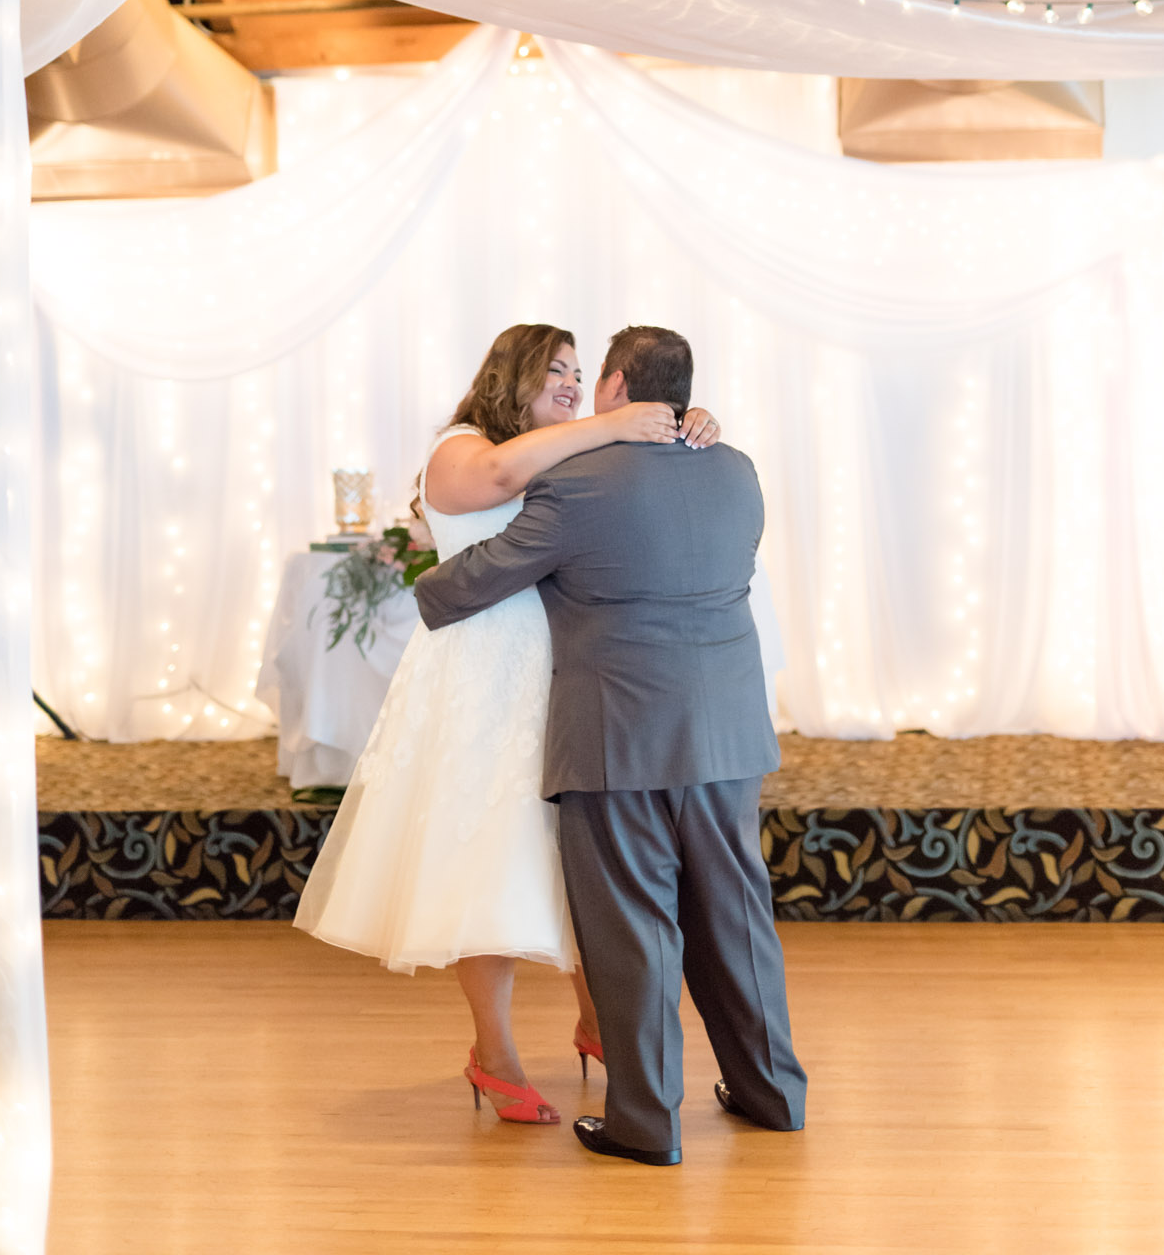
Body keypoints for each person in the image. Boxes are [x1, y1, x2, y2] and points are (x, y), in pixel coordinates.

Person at [294, 321, 722, 1125]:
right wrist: (606, 423)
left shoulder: (569, 445)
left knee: (574, 862)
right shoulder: (461, 446)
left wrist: (690, 427)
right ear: (512, 373)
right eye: (555, 369)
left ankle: (597, 1022)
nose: (569, 381)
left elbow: (637, 488)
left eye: (579, 370)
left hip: (559, 672)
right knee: (484, 863)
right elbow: (490, 482)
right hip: (478, 678)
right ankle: (494, 1052)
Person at [414, 325, 807, 1165]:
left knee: (631, 930)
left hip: (617, 736)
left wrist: (427, 576)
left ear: (616, 386)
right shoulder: (737, 471)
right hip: (728, 731)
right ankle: (771, 1094)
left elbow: (482, 578)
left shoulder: (582, 481)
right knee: (737, 919)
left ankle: (644, 1121)